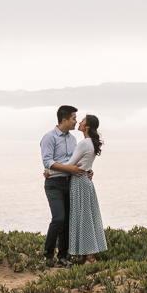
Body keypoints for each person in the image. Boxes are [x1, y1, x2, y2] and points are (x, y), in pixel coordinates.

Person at [40, 105, 83, 267]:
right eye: (73, 118)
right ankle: (48, 253)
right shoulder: (49, 137)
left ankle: (62, 256)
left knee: (67, 222)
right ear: (64, 120)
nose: (75, 122)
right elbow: (48, 162)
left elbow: (76, 161)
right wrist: (69, 169)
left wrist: (87, 170)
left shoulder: (73, 140)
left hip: (70, 183)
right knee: (59, 218)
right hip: (54, 184)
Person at [66, 114, 108, 262]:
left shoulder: (84, 143)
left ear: (87, 126)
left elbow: (70, 164)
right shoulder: (91, 143)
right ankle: (87, 253)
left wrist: (50, 170)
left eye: (82, 121)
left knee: (83, 217)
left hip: (79, 180)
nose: (79, 122)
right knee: (88, 216)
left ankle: (89, 254)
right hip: (85, 180)